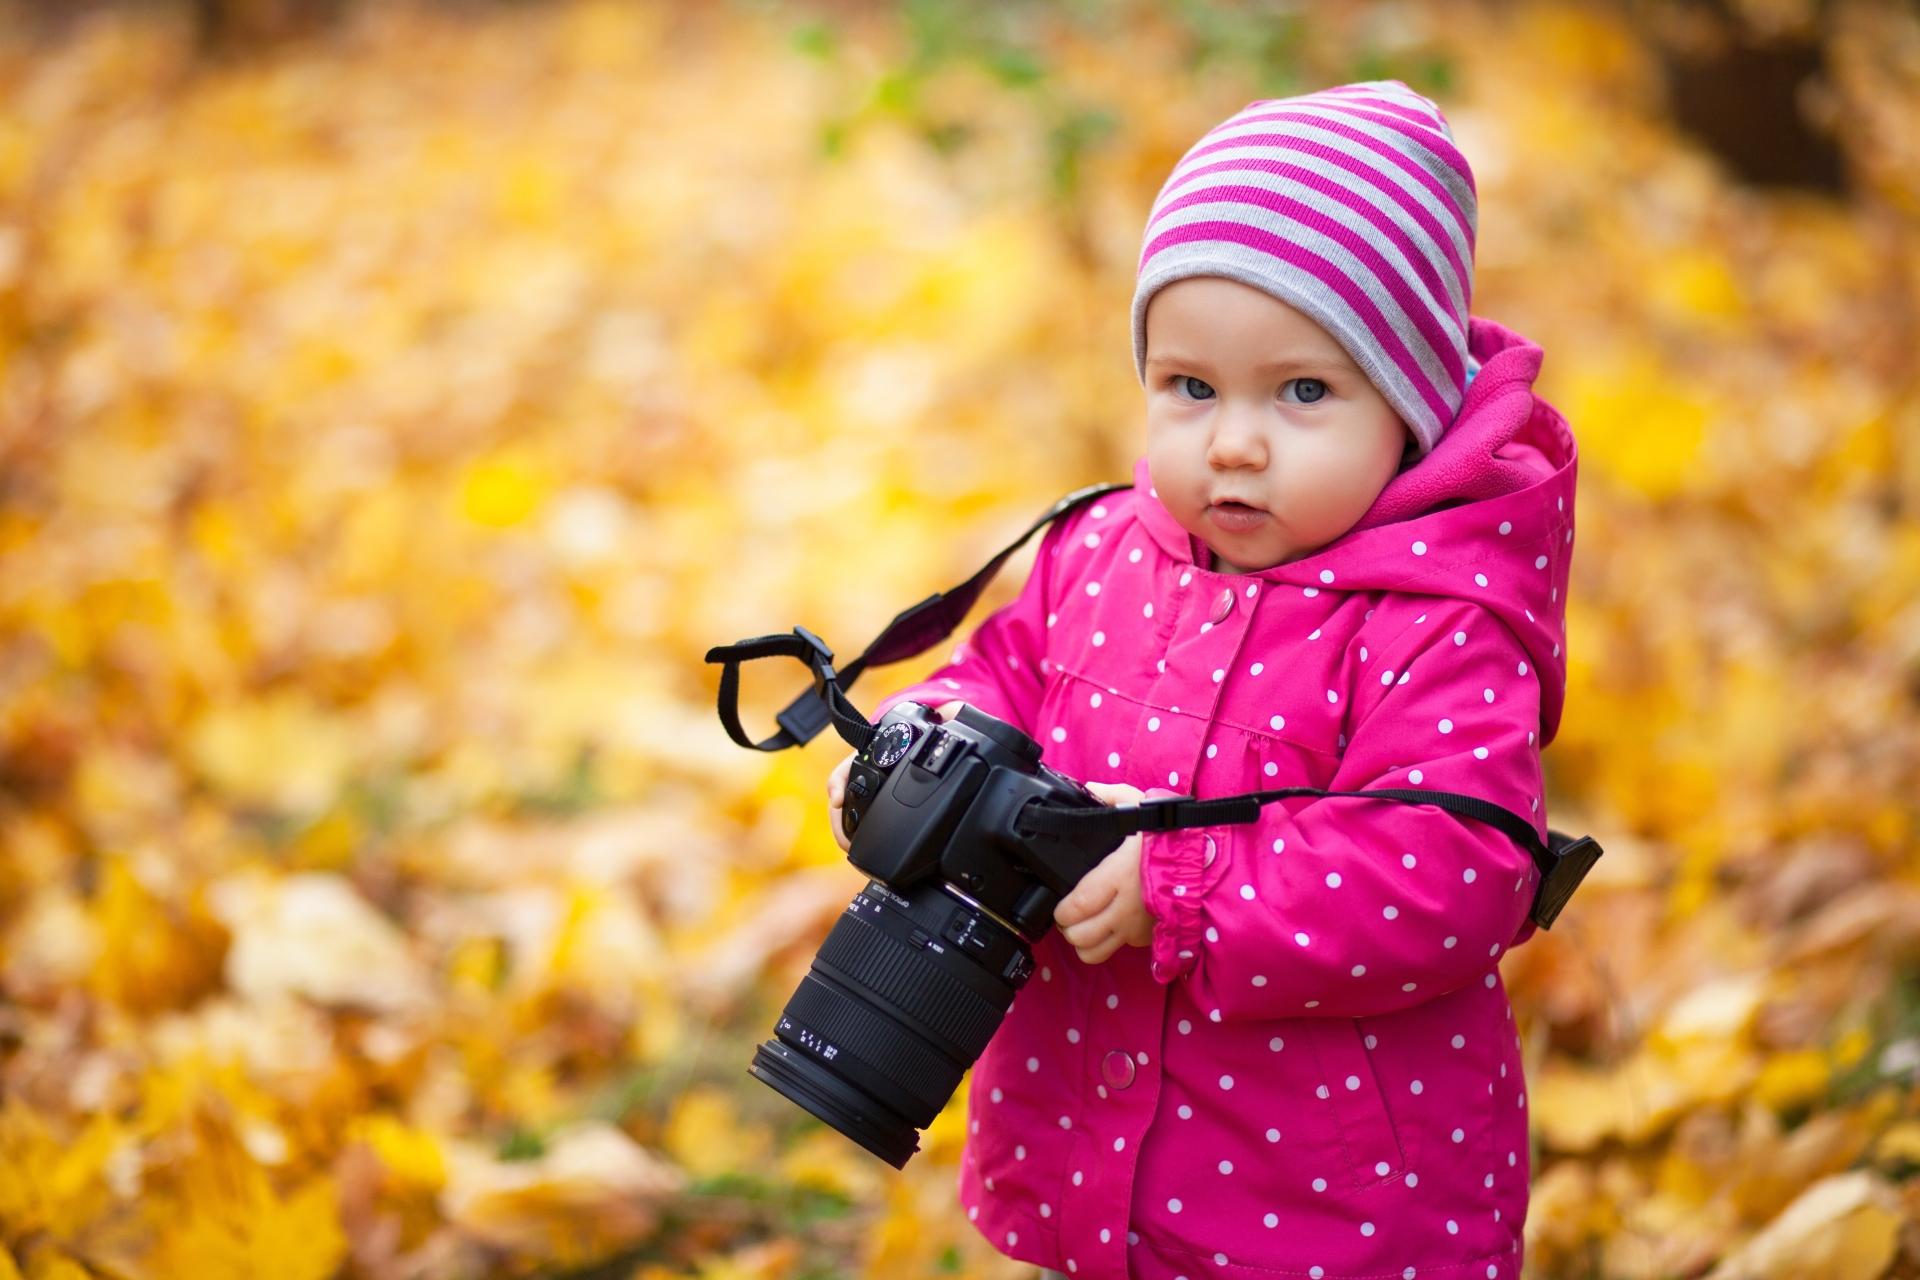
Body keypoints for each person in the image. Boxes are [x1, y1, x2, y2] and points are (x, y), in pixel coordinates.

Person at [824, 79, 1577, 1280]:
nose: (1233, 440)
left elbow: (1452, 863)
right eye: (1190, 387)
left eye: (1304, 391)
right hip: (1092, 1142)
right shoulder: (1100, 550)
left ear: (1414, 408)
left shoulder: (1433, 623)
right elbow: (1003, 669)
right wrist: (933, 739)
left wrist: (1184, 888)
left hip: (1329, 1198)